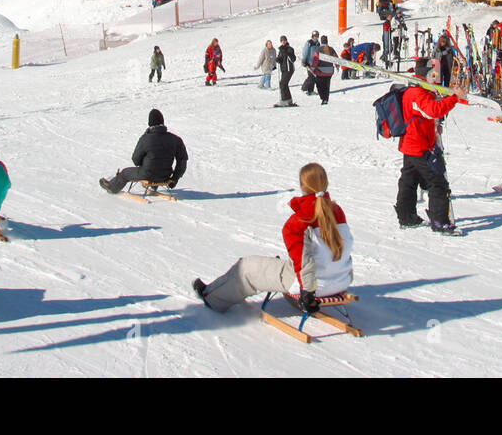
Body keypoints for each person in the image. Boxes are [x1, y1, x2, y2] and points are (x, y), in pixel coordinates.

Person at [193, 163, 351, 312]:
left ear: (303, 187)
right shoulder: (337, 211)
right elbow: (345, 246)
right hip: (340, 281)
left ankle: (212, 297)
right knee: (281, 264)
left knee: (245, 268)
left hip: (310, 287)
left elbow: (305, 263)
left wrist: (308, 294)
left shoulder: (300, 221)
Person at [394, 57, 467, 232]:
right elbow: (433, 110)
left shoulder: (412, 89)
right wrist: (454, 98)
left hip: (410, 144)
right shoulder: (418, 93)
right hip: (419, 146)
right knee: (437, 182)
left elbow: (428, 112)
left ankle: (406, 217)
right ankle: (440, 221)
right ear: (426, 73)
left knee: (409, 181)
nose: (433, 77)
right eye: (431, 73)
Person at [100, 109, 188, 194]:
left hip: (147, 175)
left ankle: (112, 188)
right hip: (166, 176)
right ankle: (154, 186)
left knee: (124, 173)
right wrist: (174, 178)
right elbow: (182, 160)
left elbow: (136, 160)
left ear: (150, 123)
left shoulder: (145, 139)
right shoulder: (175, 139)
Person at [312, 37, 337, 105]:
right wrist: (337, 67)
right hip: (330, 70)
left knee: (320, 85)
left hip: (321, 71)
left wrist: (313, 68)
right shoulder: (331, 49)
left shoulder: (318, 49)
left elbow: (315, 59)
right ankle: (326, 99)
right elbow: (336, 58)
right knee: (327, 85)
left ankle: (323, 98)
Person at [275, 35, 297, 107]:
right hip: (284, 69)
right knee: (284, 84)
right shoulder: (281, 49)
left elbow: (293, 59)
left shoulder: (290, 49)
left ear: (286, 41)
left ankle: (284, 100)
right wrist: (278, 59)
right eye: (282, 41)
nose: (283, 42)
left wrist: (287, 54)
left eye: (284, 40)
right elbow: (281, 59)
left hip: (289, 69)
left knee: (282, 84)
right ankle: (288, 100)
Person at [299, 31, 321, 96]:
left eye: (317, 36)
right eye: (315, 36)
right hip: (309, 62)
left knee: (314, 77)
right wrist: (304, 60)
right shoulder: (309, 42)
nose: (316, 37)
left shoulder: (317, 43)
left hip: (316, 62)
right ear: (312, 36)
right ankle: (304, 88)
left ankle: (310, 91)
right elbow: (305, 51)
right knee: (311, 77)